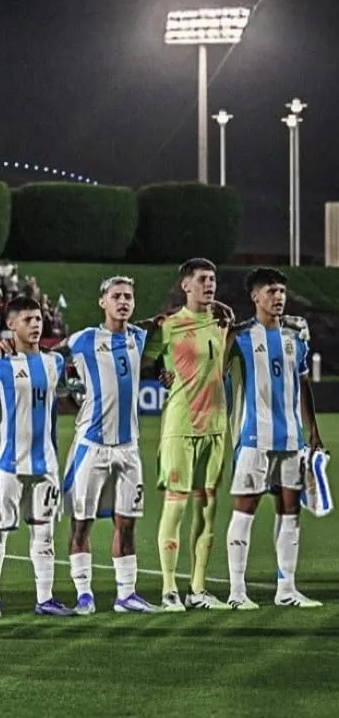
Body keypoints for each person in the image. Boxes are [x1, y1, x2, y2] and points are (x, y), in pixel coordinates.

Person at [225, 268, 324, 608]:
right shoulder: (240, 337)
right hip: (255, 439)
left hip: (292, 440)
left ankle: (287, 589)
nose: (278, 297)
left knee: (290, 512)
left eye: (281, 291)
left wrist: (313, 432)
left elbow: (304, 387)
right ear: (255, 296)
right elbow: (215, 365)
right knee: (245, 510)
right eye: (270, 291)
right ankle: (237, 592)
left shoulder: (295, 337)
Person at [60, 277, 159, 614]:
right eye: (116, 296)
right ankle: (84, 594)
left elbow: (173, 319)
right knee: (81, 522)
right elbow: (48, 358)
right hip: (92, 445)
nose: (123, 301)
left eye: (129, 296)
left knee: (127, 522)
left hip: (128, 448)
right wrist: (68, 392)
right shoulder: (84, 339)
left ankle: (126, 595)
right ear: (102, 301)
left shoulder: (139, 336)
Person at [143, 258, 234, 611]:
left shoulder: (222, 322)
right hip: (180, 427)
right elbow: (146, 362)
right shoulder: (168, 326)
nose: (209, 284)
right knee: (176, 507)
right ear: (186, 285)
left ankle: (197, 590)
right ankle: (169, 590)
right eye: (202, 279)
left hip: (216, 426)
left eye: (212, 279)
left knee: (208, 509)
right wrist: (160, 374)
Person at [0, 295, 74, 618]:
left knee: (44, 533)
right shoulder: (1, 364)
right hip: (7, 463)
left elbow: (65, 395)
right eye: (28, 320)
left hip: (45, 463)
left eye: (38, 319)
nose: (35, 325)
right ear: (11, 325)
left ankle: (45, 598)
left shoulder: (53, 363)